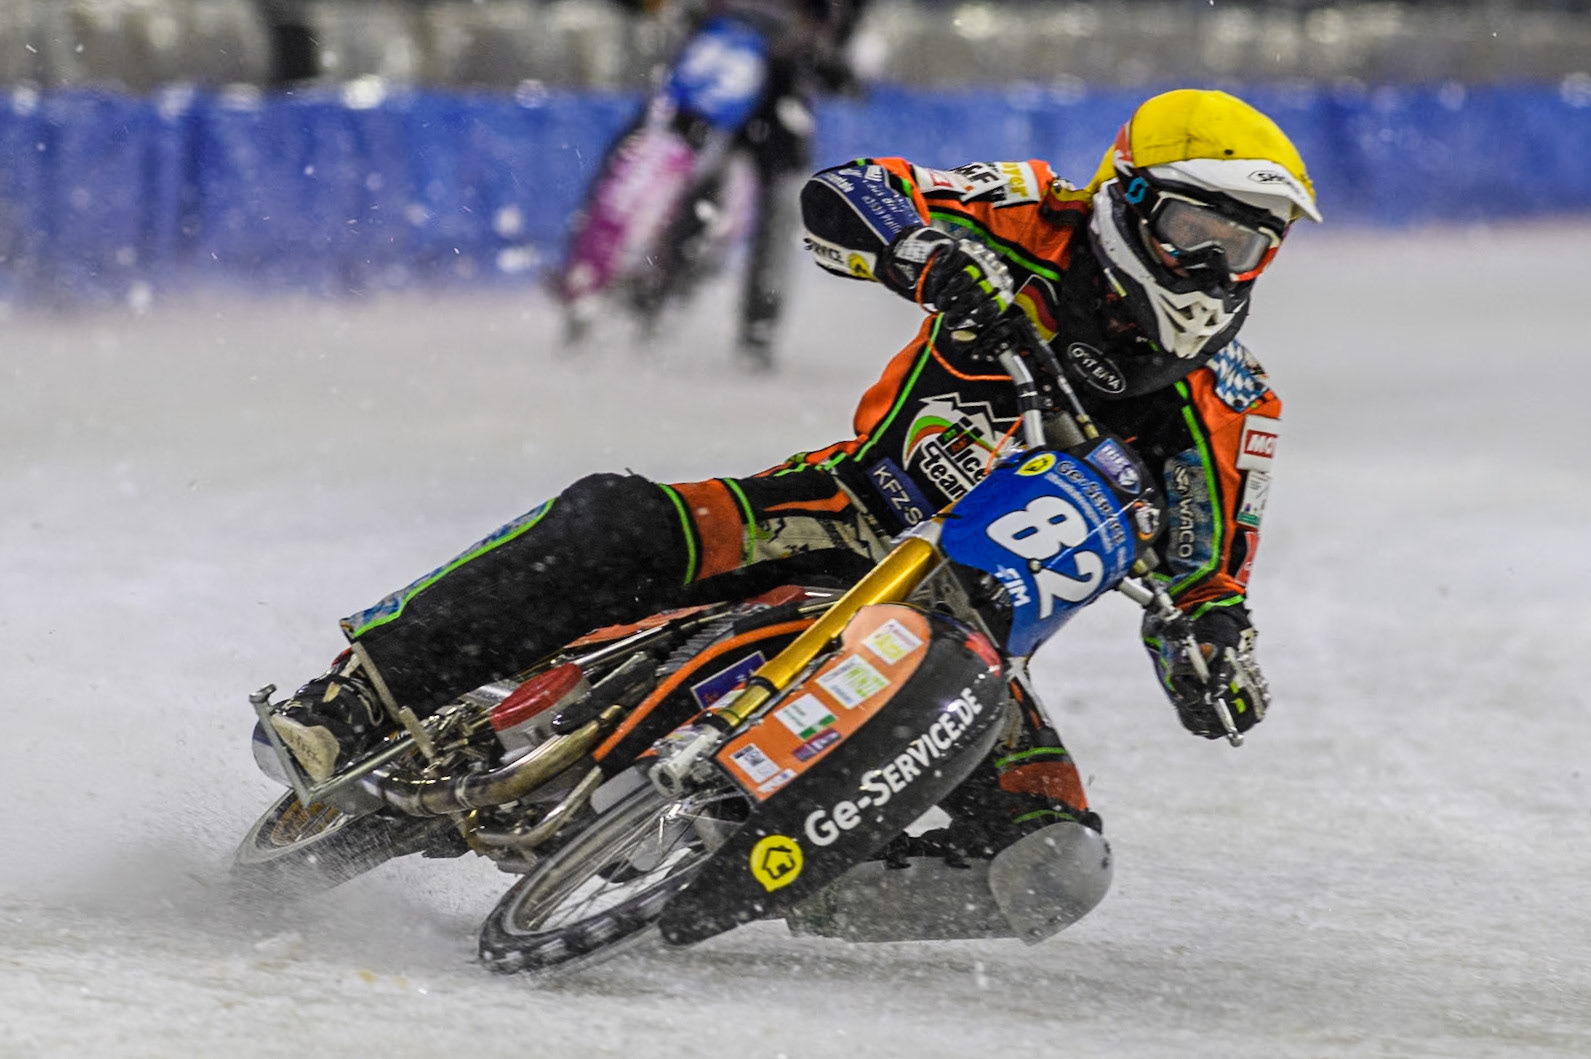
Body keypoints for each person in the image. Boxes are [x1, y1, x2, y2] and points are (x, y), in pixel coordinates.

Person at [271, 88, 1317, 867]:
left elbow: (1208, 572)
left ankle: (774, 882)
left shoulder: (1234, 405)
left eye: (1244, 245)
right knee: (621, 521)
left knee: (1049, 864)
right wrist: (918, 252)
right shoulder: (1037, 215)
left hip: (977, 627)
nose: (1212, 268)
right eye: (1193, 229)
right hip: (844, 511)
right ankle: (357, 699)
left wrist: (1214, 648)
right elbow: (848, 190)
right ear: (1125, 200)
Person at [558, 0, 871, 368]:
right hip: (721, 49)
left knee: (778, 195)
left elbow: (841, 22)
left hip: (779, 73)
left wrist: (829, 51)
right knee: (656, 161)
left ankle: (755, 327)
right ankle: (630, 291)